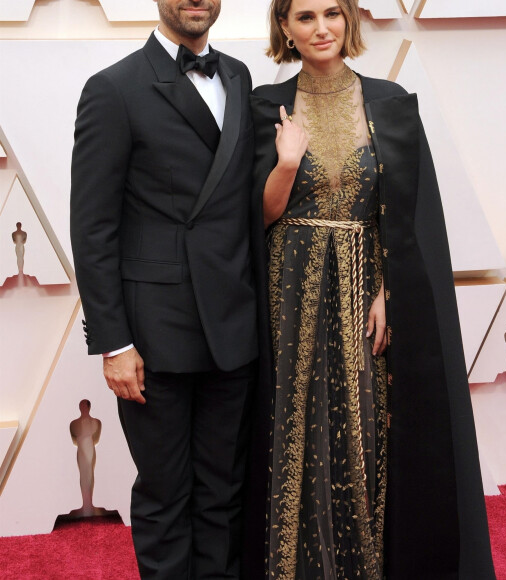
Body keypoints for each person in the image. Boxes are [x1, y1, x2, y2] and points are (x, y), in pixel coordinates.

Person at [246, 0, 497, 577]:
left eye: (331, 13)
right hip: (288, 295)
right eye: (304, 17)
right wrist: (285, 165)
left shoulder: (390, 103)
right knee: (292, 427)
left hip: (364, 292)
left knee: (364, 429)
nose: (320, 28)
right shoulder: (263, 106)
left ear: (349, 20)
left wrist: (391, 289)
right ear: (284, 27)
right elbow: (249, 222)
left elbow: (410, 220)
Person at [70, 1, 261, 577]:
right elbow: (93, 226)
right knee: (164, 494)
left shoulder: (239, 76)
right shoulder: (114, 89)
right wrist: (113, 343)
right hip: (153, 337)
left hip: (234, 326)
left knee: (224, 494)